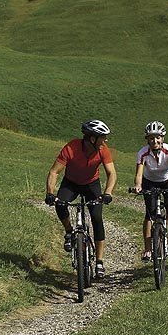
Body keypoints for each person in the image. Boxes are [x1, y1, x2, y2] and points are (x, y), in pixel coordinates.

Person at [44, 119, 118, 278]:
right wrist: (50, 193)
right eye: (102, 137)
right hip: (71, 183)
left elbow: (111, 173)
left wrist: (108, 193)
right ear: (92, 138)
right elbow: (54, 172)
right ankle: (69, 231)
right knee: (60, 204)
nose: (105, 141)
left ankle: (99, 262)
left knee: (97, 217)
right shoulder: (71, 147)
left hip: (92, 184)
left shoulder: (103, 149)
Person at [129, 121, 168, 261]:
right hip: (149, 181)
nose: (155, 141)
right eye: (151, 138)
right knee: (149, 214)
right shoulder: (143, 153)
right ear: (147, 139)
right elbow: (139, 173)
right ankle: (147, 249)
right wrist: (137, 186)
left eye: (157, 137)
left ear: (162, 138)